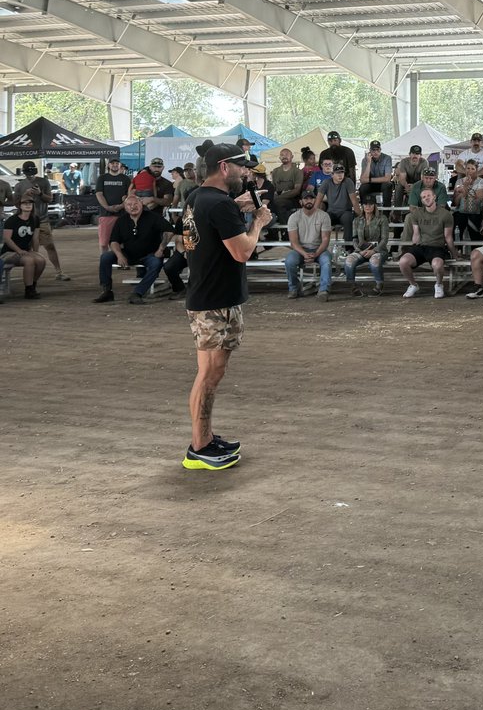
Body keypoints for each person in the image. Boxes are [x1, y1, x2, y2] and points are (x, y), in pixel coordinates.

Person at [179, 141, 272, 471]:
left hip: (207, 296)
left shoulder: (198, 197)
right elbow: (243, 251)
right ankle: (200, 447)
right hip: (216, 301)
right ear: (224, 167)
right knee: (210, 376)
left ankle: (202, 438)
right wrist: (258, 220)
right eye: (241, 166)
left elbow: (210, 223)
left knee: (206, 374)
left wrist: (236, 207)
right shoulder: (220, 205)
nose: (246, 172)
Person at [95, 194, 179, 304]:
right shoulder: (121, 221)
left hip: (150, 254)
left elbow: (169, 231)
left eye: (136, 204)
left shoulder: (153, 217)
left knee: (156, 264)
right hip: (128, 254)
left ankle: (137, 293)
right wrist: (119, 255)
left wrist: (161, 249)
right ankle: (107, 291)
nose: (133, 207)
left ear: (141, 204)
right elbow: (114, 241)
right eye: (129, 205)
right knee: (105, 257)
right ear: (125, 207)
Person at [13, 160, 68, 280]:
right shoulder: (20, 185)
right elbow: (16, 203)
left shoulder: (43, 181)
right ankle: (33, 272)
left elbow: (49, 199)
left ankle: (59, 272)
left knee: (49, 245)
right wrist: (26, 195)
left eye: (32, 172)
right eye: (28, 173)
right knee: (31, 248)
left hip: (42, 219)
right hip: (27, 220)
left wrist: (40, 193)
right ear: (24, 173)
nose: (30, 175)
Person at [397, 186, 456, 299]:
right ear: (421, 200)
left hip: (437, 247)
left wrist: (455, 254)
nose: (426, 198)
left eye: (428, 195)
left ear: (434, 197)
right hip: (421, 246)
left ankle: (438, 284)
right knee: (403, 262)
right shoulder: (417, 214)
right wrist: (411, 250)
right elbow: (416, 234)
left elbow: (448, 237)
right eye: (423, 197)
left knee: (437, 265)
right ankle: (413, 285)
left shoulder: (445, 214)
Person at [284, 187, 333, 302]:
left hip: (319, 249)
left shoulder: (324, 216)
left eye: (311, 198)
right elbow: (294, 242)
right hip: (300, 249)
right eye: (306, 199)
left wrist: (316, 254)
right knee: (289, 261)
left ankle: (323, 290)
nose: (309, 201)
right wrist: (304, 253)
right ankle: (294, 288)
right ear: (301, 201)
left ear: (315, 200)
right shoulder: (294, 217)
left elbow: (325, 240)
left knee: (326, 262)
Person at [3, 194, 47, 299]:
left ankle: (32, 286)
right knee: (29, 261)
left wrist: (36, 252)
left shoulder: (35, 219)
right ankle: (28, 290)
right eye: (25, 203)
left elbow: (35, 238)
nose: (28, 205)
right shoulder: (12, 220)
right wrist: (18, 250)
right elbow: (7, 239)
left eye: (30, 203)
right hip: (9, 252)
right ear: (19, 205)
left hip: (25, 250)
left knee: (41, 261)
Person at [343, 198, 390, 296]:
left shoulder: (382, 219)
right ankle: (352, 286)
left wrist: (374, 251)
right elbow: (355, 238)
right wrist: (359, 250)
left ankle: (379, 285)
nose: (368, 207)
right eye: (365, 204)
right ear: (362, 206)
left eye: (370, 204)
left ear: (374, 206)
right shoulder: (356, 220)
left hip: (378, 249)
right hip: (361, 249)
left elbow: (384, 239)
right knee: (349, 260)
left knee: (374, 261)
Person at [95, 155, 132, 253]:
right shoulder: (102, 178)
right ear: (108, 165)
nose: (115, 165)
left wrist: (121, 206)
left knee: (122, 242)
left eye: (117, 163)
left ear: (120, 165)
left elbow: (129, 195)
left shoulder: (126, 179)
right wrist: (107, 207)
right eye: (112, 163)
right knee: (103, 243)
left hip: (122, 214)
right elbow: (99, 194)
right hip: (106, 215)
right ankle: (105, 261)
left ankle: (123, 261)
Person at [315, 163, 358, 242]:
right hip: (331, 212)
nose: (340, 175)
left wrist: (359, 215)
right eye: (337, 173)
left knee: (349, 219)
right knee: (322, 219)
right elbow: (318, 200)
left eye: (342, 172)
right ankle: (319, 245)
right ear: (332, 174)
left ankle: (348, 248)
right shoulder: (326, 182)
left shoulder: (348, 182)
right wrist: (314, 215)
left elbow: (354, 201)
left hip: (345, 212)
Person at [452, 158, 483, 240]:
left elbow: (479, 199)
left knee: (474, 220)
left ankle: (475, 248)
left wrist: (464, 191)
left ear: (476, 170)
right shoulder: (459, 181)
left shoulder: (481, 181)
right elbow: (456, 202)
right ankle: (458, 248)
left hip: (476, 211)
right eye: (468, 168)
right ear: (465, 169)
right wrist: (465, 187)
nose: (470, 171)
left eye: (472, 168)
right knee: (457, 219)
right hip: (461, 210)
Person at [359, 140, 394, 206]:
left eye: (378, 150)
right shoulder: (365, 160)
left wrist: (369, 180)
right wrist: (369, 163)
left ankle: (386, 212)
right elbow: (363, 180)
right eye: (373, 150)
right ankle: (365, 210)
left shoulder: (387, 158)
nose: (376, 152)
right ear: (370, 151)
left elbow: (387, 178)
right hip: (370, 184)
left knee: (388, 185)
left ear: (380, 150)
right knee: (363, 188)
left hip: (382, 184)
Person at [270, 148, 302, 219]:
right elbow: (272, 187)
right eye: (282, 155)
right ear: (279, 158)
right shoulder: (275, 171)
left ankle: (285, 223)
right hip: (277, 197)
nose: (284, 156)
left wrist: (279, 197)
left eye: (287, 154)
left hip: (292, 199)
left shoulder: (297, 171)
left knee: (279, 203)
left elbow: (297, 190)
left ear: (292, 156)